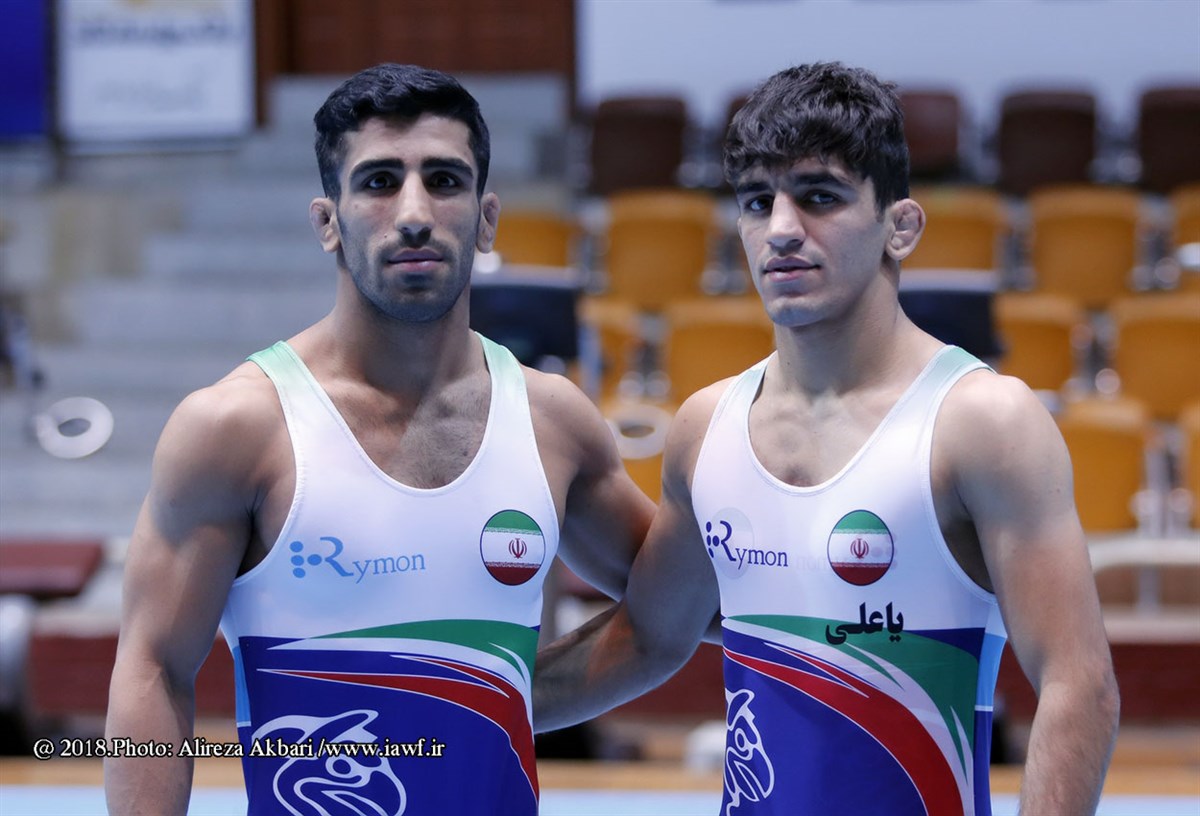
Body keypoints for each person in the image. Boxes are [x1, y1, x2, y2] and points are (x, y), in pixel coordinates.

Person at [535, 62, 1120, 816]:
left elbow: (1079, 685)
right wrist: (436, 718)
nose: (782, 230)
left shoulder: (979, 423)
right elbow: (648, 637)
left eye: (819, 196)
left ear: (900, 227)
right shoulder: (707, 427)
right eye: (758, 202)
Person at [104, 63, 653, 816]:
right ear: (328, 221)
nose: (415, 212)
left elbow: (679, 610)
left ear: (487, 218)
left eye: (445, 180)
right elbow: (153, 671)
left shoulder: (552, 421)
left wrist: (503, 695)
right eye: (380, 182)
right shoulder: (237, 428)